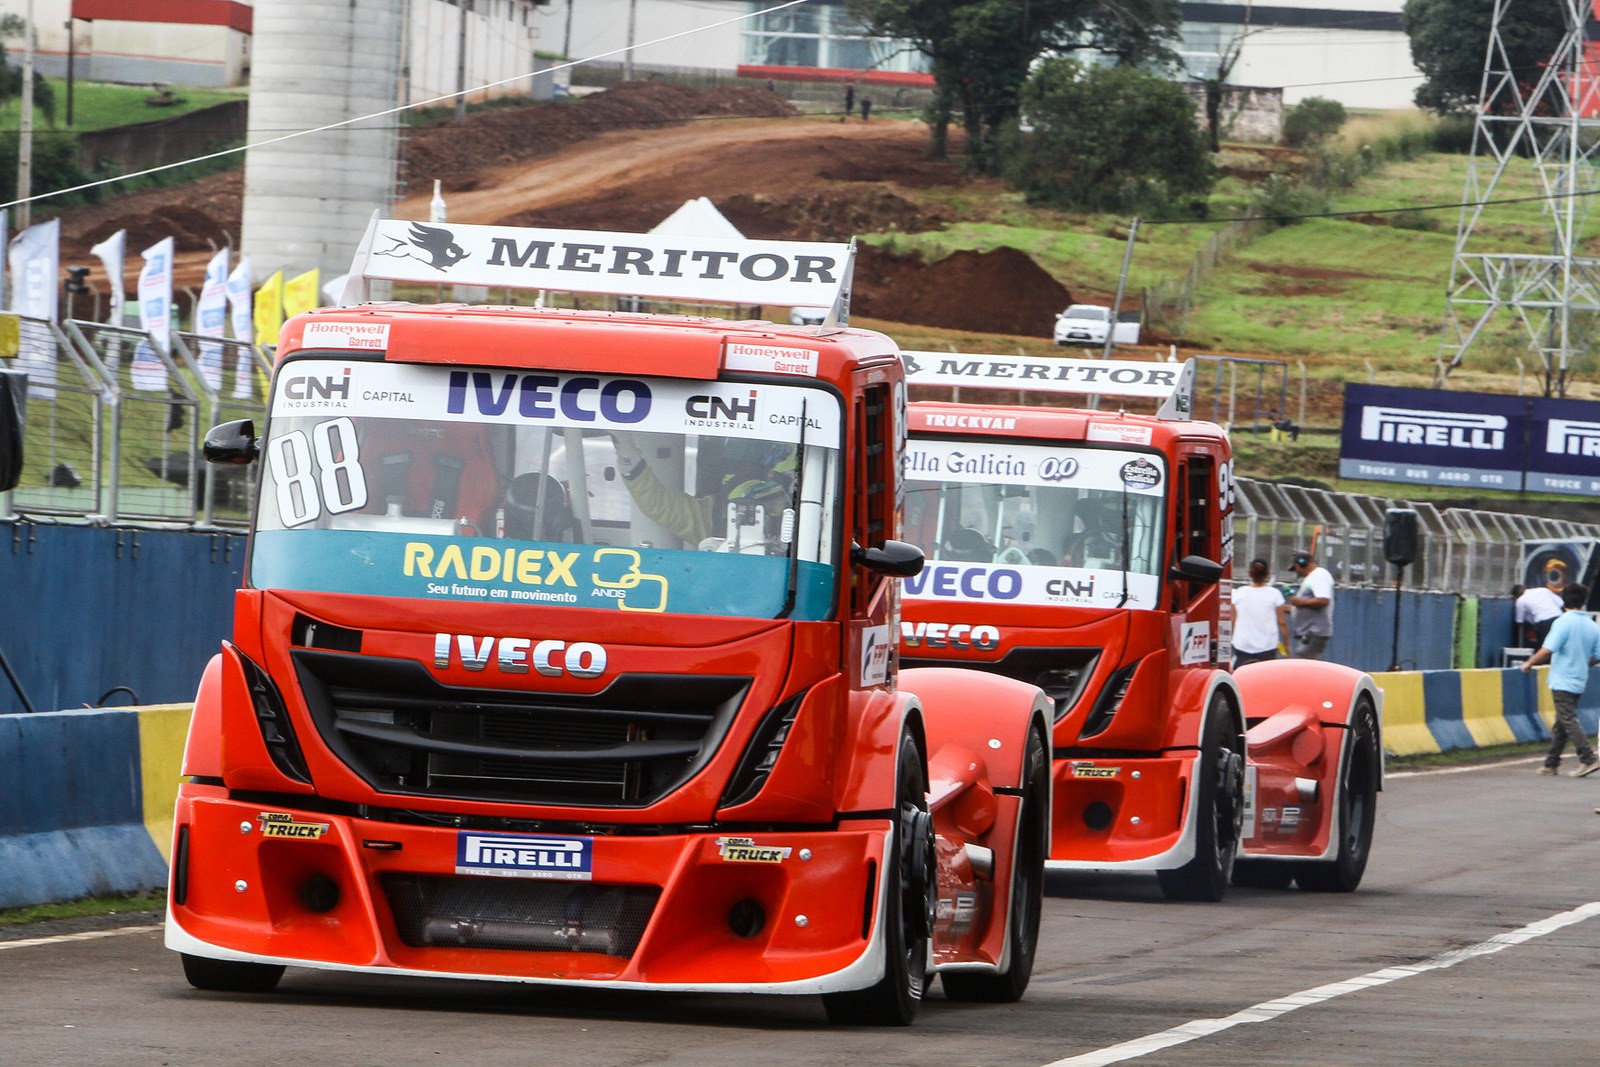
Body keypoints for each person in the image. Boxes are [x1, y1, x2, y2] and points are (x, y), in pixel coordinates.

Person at [612, 432, 795, 550]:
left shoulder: (809, 515)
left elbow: (658, 505)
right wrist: (629, 459)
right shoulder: (709, 517)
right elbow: (658, 505)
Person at [1519, 583, 1600, 777]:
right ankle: (1551, 763)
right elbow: (1597, 655)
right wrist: (1582, 662)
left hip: (1562, 678)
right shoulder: (1591, 625)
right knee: (1562, 722)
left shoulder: (1563, 622)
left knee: (1567, 718)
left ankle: (1588, 757)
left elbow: (1548, 649)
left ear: (1564, 600)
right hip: (1579, 679)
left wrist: (1529, 663)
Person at [1231, 558, 1290, 667]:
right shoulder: (1274, 594)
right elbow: (1282, 622)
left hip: (1242, 646)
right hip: (1267, 647)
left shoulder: (1238, 593)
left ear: (1249, 573)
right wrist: (1287, 645)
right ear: (1267, 574)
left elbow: (1233, 620)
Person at [1287, 549, 1335, 660]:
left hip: (1314, 632)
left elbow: (1323, 600)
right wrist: (1291, 608)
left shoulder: (1319, 575)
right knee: (1305, 665)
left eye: (1296, 568)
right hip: (1310, 633)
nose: (1297, 572)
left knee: (1304, 667)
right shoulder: (1314, 577)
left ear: (1302, 563)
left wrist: (1298, 602)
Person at [1515, 577, 1563, 649]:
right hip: (1560, 618)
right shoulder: (1543, 590)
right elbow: (1561, 603)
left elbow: (1519, 621)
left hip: (1544, 622)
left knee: (1546, 646)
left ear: (1516, 595)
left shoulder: (1520, 600)